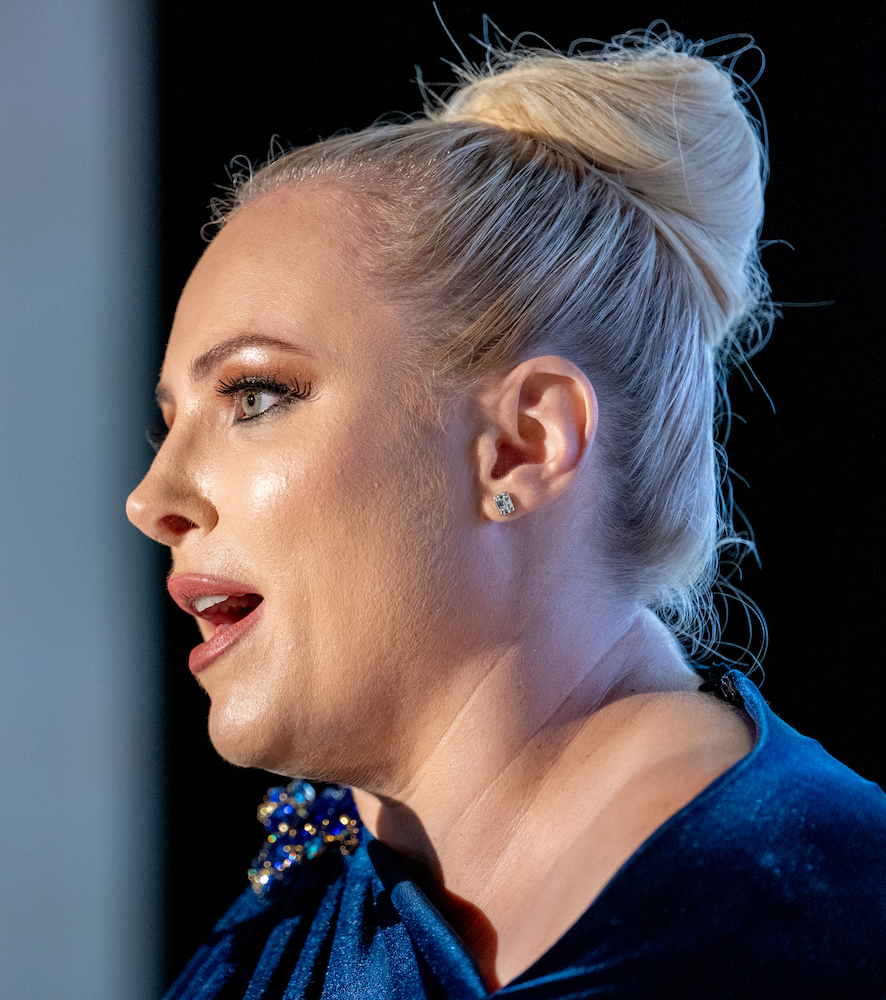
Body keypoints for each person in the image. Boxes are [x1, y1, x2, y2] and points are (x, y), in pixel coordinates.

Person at [126, 29, 886, 999]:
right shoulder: (302, 909)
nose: (152, 500)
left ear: (525, 442)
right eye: (168, 423)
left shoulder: (823, 914)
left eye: (256, 394)